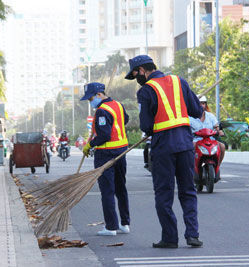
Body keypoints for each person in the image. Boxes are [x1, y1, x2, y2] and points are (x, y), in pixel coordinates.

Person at [125, 55, 203, 248]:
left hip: (163, 149)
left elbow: (146, 125)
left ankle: (170, 238)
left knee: (164, 194)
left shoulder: (146, 91)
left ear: (142, 70)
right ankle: (192, 235)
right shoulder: (179, 81)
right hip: (185, 146)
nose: (137, 79)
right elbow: (195, 111)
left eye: (136, 75)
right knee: (188, 192)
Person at [81, 82, 130, 236]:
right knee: (121, 188)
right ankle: (124, 223)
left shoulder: (102, 111)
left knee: (107, 191)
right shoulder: (118, 105)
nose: (91, 102)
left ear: (99, 95)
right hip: (121, 151)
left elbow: (104, 136)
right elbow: (125, 120)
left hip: (106, 154)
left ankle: (110, 227)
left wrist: (90, 145)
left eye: (91, 99)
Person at [189, 96, 225, 166]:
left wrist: (219, 131)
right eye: (198, 103)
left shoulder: (210, 116)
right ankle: (192, 167)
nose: (201, 105)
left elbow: (216, 126)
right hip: (196, 141)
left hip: (210, 140)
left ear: (205, 105)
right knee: (189, 147)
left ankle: (217, 166)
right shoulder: (190, 117)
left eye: (203, 103)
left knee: (222, 146)